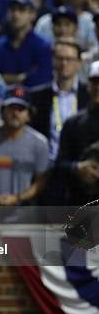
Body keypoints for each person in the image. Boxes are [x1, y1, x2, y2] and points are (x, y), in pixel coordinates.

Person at [0, 96, 50, 206]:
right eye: (11, 108)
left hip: (23, 212)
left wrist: (17, 198)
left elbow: (41, 181)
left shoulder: (39, 143)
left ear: (29, 115)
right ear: (1, 112)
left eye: (21, 109)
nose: (15, 113)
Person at [54, 60, 99, 207]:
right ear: (88, 85)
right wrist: (78, 167)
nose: (98, 87)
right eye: (95, 82)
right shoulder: (73, 123)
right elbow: (60, 163)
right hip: (80, 201)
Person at [0, 0, 52, 92]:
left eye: (21, 10)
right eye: (12, 10)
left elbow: (42, 81)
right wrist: (21, 77)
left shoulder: (42, 46)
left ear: (33, 14)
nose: (16, 14)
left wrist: (8, 78)